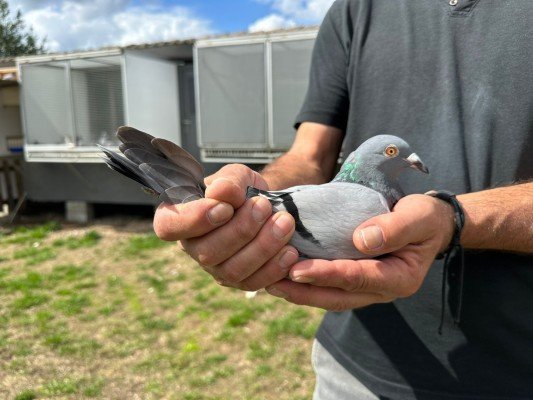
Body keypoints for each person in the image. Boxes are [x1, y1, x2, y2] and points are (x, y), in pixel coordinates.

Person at [153, 0, 533, 398]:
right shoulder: (358, 8)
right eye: (393, 155)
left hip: (513, 372)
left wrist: (453, 218)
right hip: (353, 371)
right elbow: (310, 156)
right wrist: (251, 193)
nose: (412, 161)